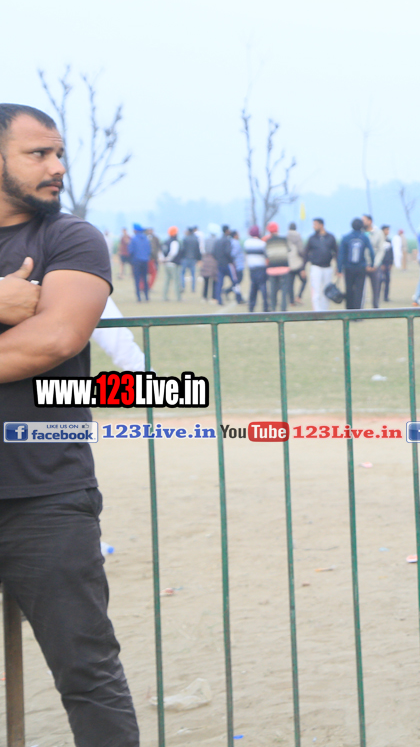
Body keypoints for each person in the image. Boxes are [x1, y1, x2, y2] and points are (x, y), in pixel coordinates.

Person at [0, 103, 139, 745]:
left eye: (59, 153)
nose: (57, 166)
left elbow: (53, 339)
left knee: (88, 675)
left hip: (45, 495)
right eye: (39, 154)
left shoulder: (70, 238)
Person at [339, 217, 373, 310]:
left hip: (348, 267)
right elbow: (371, 251)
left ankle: (349, 310)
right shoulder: (364, 237)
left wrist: (339, 268)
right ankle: (357, 311)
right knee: (359, 290)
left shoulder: (346, 238)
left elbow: (341, 254)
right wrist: (372, 264)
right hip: (361, 267)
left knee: (349, 289)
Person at [304, 218, 337, 311]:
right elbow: (306, 253)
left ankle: (325, 311)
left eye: (315, 224)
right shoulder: (312, 238)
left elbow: (336, 252)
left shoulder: (330, 237)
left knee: (326, 291)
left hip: (327, 267)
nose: (313, 227)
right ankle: (317, 312)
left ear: (321, 225)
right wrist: (303, 268)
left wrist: (338, 267)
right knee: (316, 291)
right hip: (316, 267)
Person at [265, 221, 290, 311]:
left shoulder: (267, 241)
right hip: (284, 268)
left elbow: (266, 255)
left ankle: (273, 308)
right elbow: (289, 250)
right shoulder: (284, 240)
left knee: (273, 291)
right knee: (284, 290)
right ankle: (283, 310)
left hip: (272, 269)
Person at [363, 213, 386, 308]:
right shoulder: (361, 233)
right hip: (363, 265)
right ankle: (360, 308)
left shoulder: (378, 233)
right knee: (361, 289)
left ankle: (375, 307)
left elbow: (381, 250)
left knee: (376, 288)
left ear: (370, 221)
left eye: (364, 220)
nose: (362, 222)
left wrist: (375, 264)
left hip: (375, 265)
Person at [243, 225, 268, 312]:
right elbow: (266, 255)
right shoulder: (262, 244)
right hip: (261, 268)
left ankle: (251, 307)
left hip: (252, 268)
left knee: (253, 287)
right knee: (263, 287)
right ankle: (265, 306)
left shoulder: (247, 243)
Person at [129, 223, 151, 302]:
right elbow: (149, 250)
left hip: (136, 261)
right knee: (145, 279)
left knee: (137, 280)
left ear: (135, 230)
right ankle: (146, 296)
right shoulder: (146, 238)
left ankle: (138, 297)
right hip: (145, 261)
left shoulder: (134, 239)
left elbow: (131, 251)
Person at [161, 225, 182, 301]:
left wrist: (164, 259)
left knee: (167, 281)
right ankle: (178, 297)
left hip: (166, 264)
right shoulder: (174, 242)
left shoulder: (166, 241)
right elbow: (173, 253)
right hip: (173, 264)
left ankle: (164, 296)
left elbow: (162, 252)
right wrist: (168, 259)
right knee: (176, 281)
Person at [286, 221, 305, 305]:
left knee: (290, 283)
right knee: (304, 280)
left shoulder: (286, 237)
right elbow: (301, 250)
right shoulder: (298, 236)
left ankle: (291, 301)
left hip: (289, 263)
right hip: (298, 263)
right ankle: (299, 296)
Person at [180, 225, 201, 293]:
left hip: (185, 258)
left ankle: (182, 286)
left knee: (182, 274)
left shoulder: (185, 238)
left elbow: (182, 249)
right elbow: (198, 250)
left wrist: (180, 257)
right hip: (193, 259)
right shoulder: (196, 239)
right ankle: (193, 288)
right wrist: (199, 258)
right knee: (193, 275)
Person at [378, 224, 394, 302]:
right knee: (379, 281)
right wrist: (380, 264)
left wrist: (391, 263)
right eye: (386, 230)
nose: (388, 231)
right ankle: (377, 297)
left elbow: (391, 253)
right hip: (381, 264)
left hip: (388, 264)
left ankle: (386, 297)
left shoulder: (389, 241)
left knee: (387, 281)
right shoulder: (379, 241)